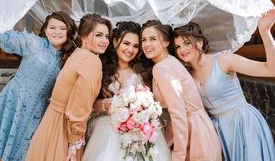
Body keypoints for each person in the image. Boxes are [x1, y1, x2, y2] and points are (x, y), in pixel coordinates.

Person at [173, 9, 275, 161]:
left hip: (243, 125)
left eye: (187, 43)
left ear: (200, 42)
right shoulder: (186, 75)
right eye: (178, 46)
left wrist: (265, 32)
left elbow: (271, 69)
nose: (182, 49)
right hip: (218, 132)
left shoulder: (224, 61)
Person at [0, 11, 77, 161]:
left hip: (40, 109)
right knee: (5, 148)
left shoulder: (70, 56)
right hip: (17, 100)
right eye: (52, 28)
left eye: (62, 28)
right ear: (45, 30)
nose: (57, 32)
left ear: (69, 31)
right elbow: (3, 36)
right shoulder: (34, 43)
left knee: (28, 152)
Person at [26, 13, 111, 161]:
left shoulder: (78, 53)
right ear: (84, 36)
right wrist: (75, 141)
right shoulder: (92, 61)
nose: (104, 41)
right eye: (99, 35)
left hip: (50, 121)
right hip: (63, 127)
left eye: (106, 36)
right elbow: (80, 105)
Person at [82, 21, 171, 161]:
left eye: (136, 46)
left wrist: (142, 109)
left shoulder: (145, 72)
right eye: (126, 43)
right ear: (116, 41)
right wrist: (107, 104)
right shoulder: (101, 68)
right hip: (108, 128)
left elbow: (156, 102)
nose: (130, 50)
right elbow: (91, 103)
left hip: (139, 130)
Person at [141, 20, 222, 161]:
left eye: (153, 39)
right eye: (144, 39)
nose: (146, 44)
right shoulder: (170, 61)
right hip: (199, 128)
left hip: (194, 136)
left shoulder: (161, 68)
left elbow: (178, 112)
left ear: (166, 42)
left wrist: (178, 156)